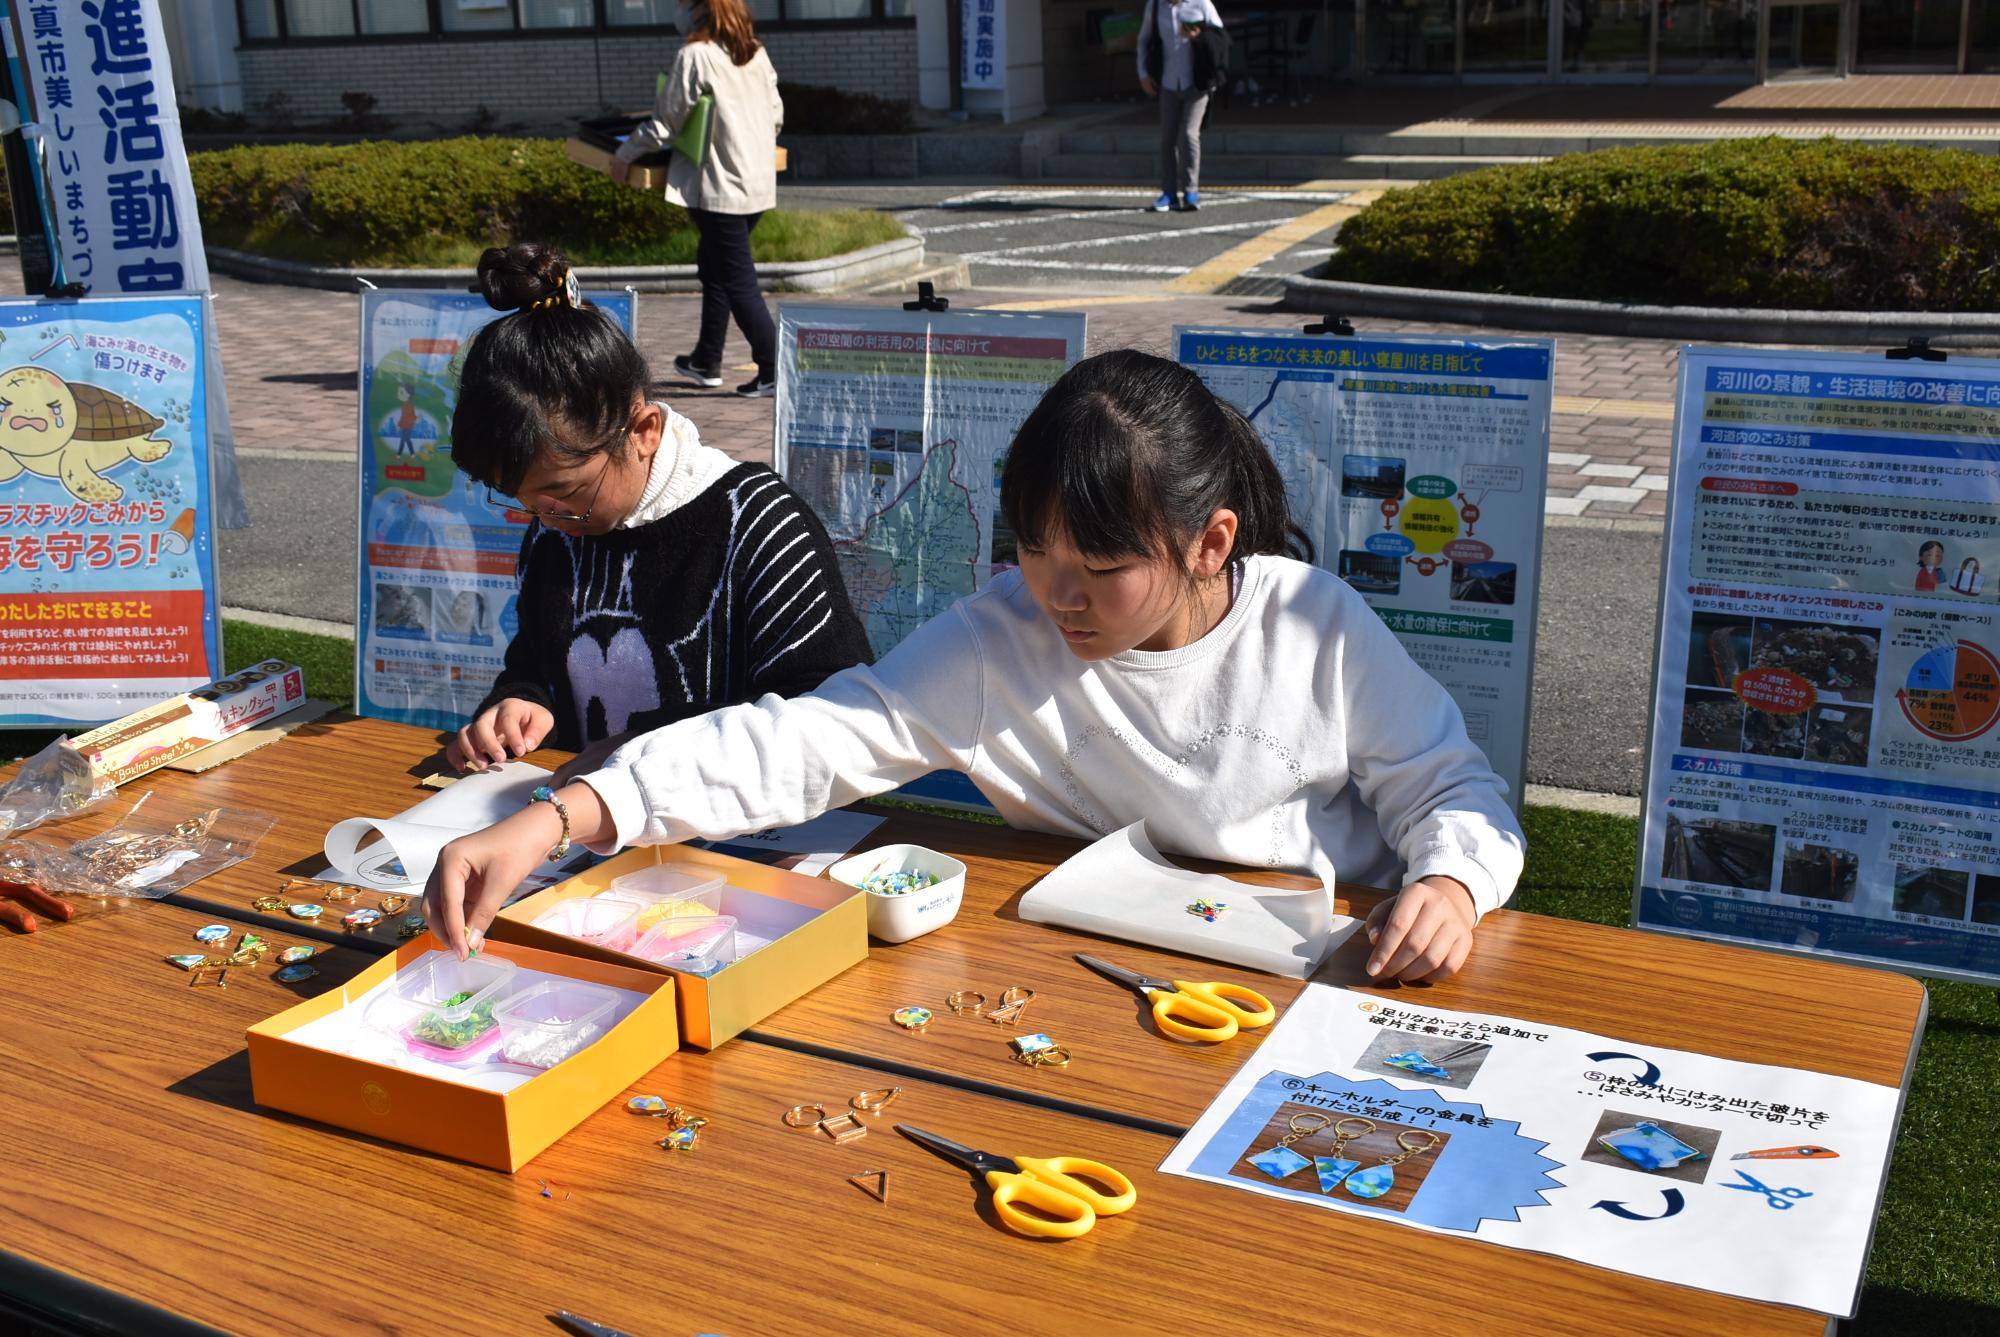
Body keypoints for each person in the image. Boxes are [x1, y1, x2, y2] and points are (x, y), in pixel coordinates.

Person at [427, 349, 1526, 984]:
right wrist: (564, 812)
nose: (1057, 598)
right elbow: (803, 738)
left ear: (1210, 542)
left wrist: (1448, 884)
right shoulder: (1006, 635)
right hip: (1097, 964)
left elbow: (1452, 787)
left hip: (1316, 966)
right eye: (1034, 554)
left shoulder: (1311, 627)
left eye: (1099, 567)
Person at [442, 243, 871, 777]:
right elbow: (537, 657)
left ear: (643, 432)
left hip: (742, 838)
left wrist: (642, 759)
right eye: (521, 499)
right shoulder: (559, 524)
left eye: (562, 494)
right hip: (586, 832)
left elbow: (829, 713)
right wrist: (521, 701)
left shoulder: (757, 522)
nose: (545, 519)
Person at [611, 0, 783, 398]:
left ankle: (775, 368)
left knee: (738, 282)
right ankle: (706, 359)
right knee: (716, 269)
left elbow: (665, 124)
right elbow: (776, 115)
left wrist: (623, 156)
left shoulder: (694, 56)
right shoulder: (755, 53)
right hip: (755, 183)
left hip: (718, 187)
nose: (678, 10)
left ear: (700, 11)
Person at [1139, 0, 1225, 213]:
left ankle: (1191, 191)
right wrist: (1143, 74)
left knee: (1188, 134)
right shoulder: (1156, 6)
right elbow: (1143, 40)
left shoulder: (1201, 4)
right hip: (1168, 82)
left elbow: (1221, 39)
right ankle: (1169, 193)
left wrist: (1199, 37)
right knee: (1168, 138)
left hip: (1196, 83)